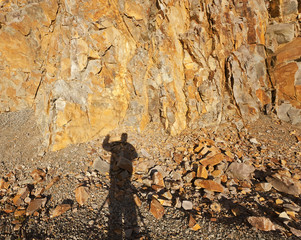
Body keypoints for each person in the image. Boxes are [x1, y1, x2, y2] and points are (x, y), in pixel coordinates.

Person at [103, 133, 138, 239]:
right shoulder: (129, 146)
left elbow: (105, 147)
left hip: (117, 170)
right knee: (124, 181)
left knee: (116, 182)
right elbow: (135, 156)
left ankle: (118, 196)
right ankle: (122, 193)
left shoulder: (115, 145)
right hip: (126, 169)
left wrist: (106, 139)